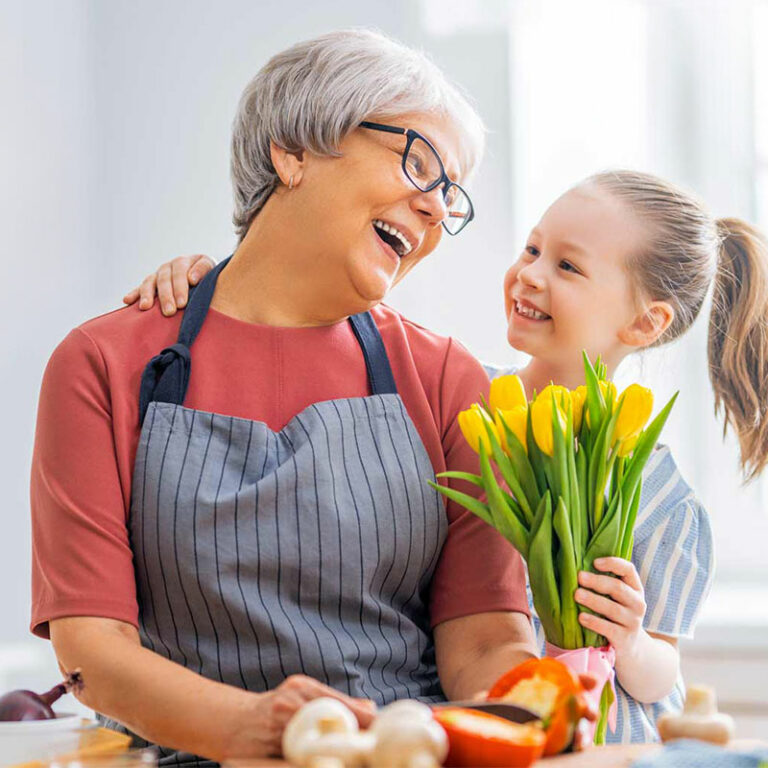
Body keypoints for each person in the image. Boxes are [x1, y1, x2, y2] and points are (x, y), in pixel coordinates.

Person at [30, 30, 540, 766]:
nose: (434, 209)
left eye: (449, 194)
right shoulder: (104, 364)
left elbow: (487, 640)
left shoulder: (447, 379)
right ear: (293, 149)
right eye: (419, 163)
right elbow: (94, 652)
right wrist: (257, 729)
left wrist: (529, 712)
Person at [143, 169, 768, 743]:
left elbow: (663, 676)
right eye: (532, 249)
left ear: (645, 323)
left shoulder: (663, 501)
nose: (530, 273)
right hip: (469, 731)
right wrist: (215, 289)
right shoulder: (449, 402)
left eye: (568, 267)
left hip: (603, 746)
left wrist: (630, 643)